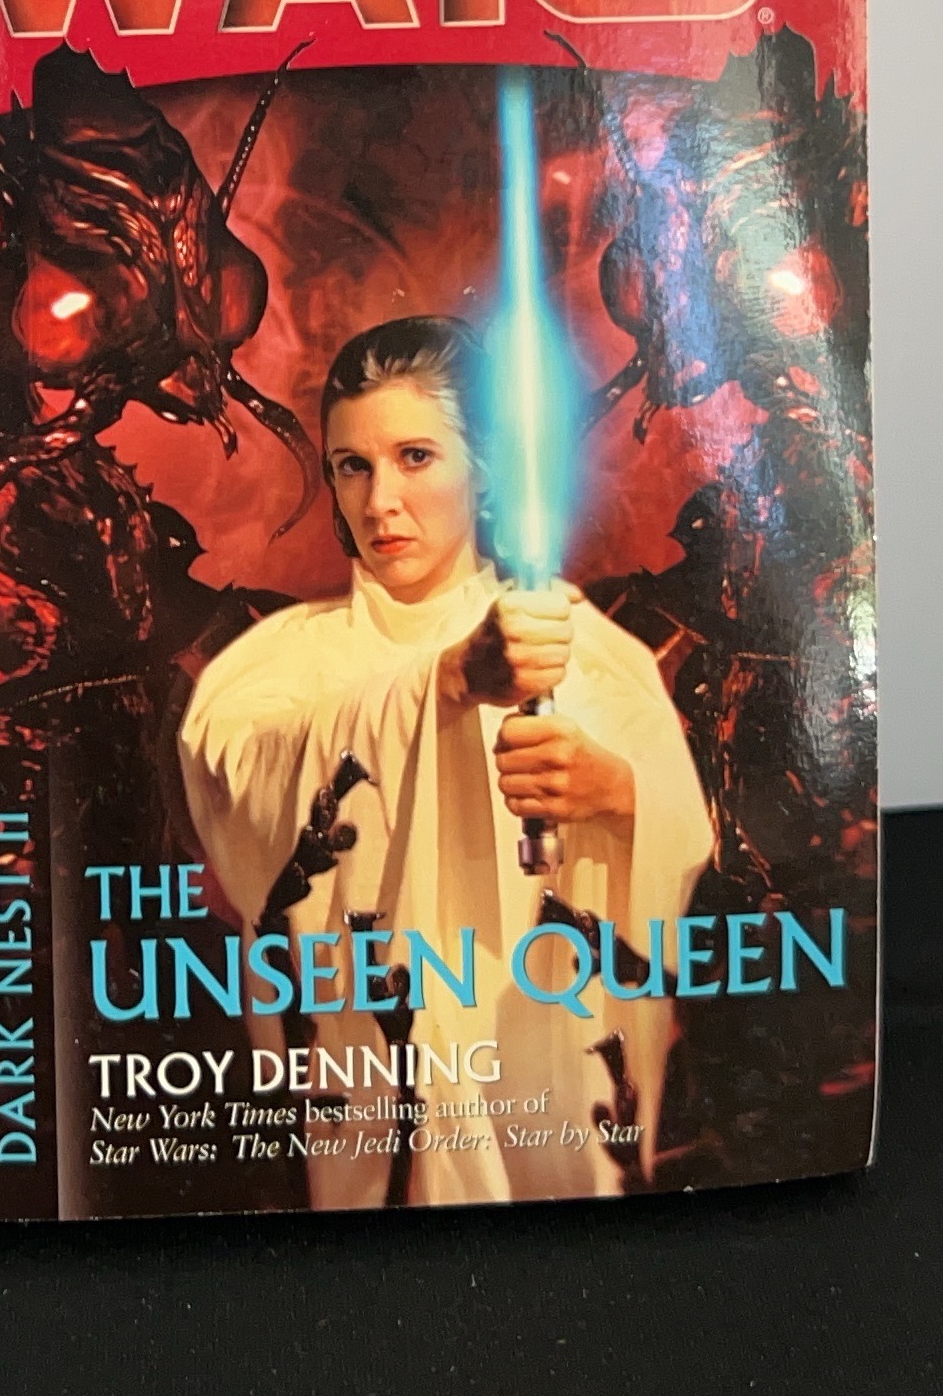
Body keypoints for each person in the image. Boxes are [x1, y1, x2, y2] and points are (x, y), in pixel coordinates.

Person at [177, 315, 713, 1206]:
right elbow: (243, 781)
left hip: (549, 1107)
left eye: (416, 457)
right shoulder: (275, 668)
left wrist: (618, 796)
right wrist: (450, 680)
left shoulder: (581, 649)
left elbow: (686, 848)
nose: (380, 501)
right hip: (368, 1134)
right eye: (353, 465)